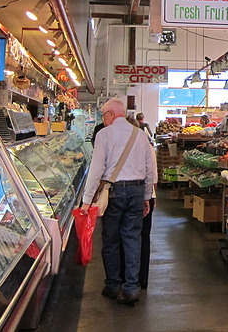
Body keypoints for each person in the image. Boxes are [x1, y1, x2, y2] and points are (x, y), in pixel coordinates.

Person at [81, 98, 155, 305]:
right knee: (133, 239)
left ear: (112, 114)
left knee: (111, 240)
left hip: (113, 192)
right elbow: (149, 170)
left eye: (104, 115)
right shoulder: (141, 136)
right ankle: (132, 288)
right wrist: (147, 197)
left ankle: (113, 285)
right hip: (136, 190)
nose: (103, 120)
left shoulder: (104, 135)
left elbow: (96, 169)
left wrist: (87, 201)